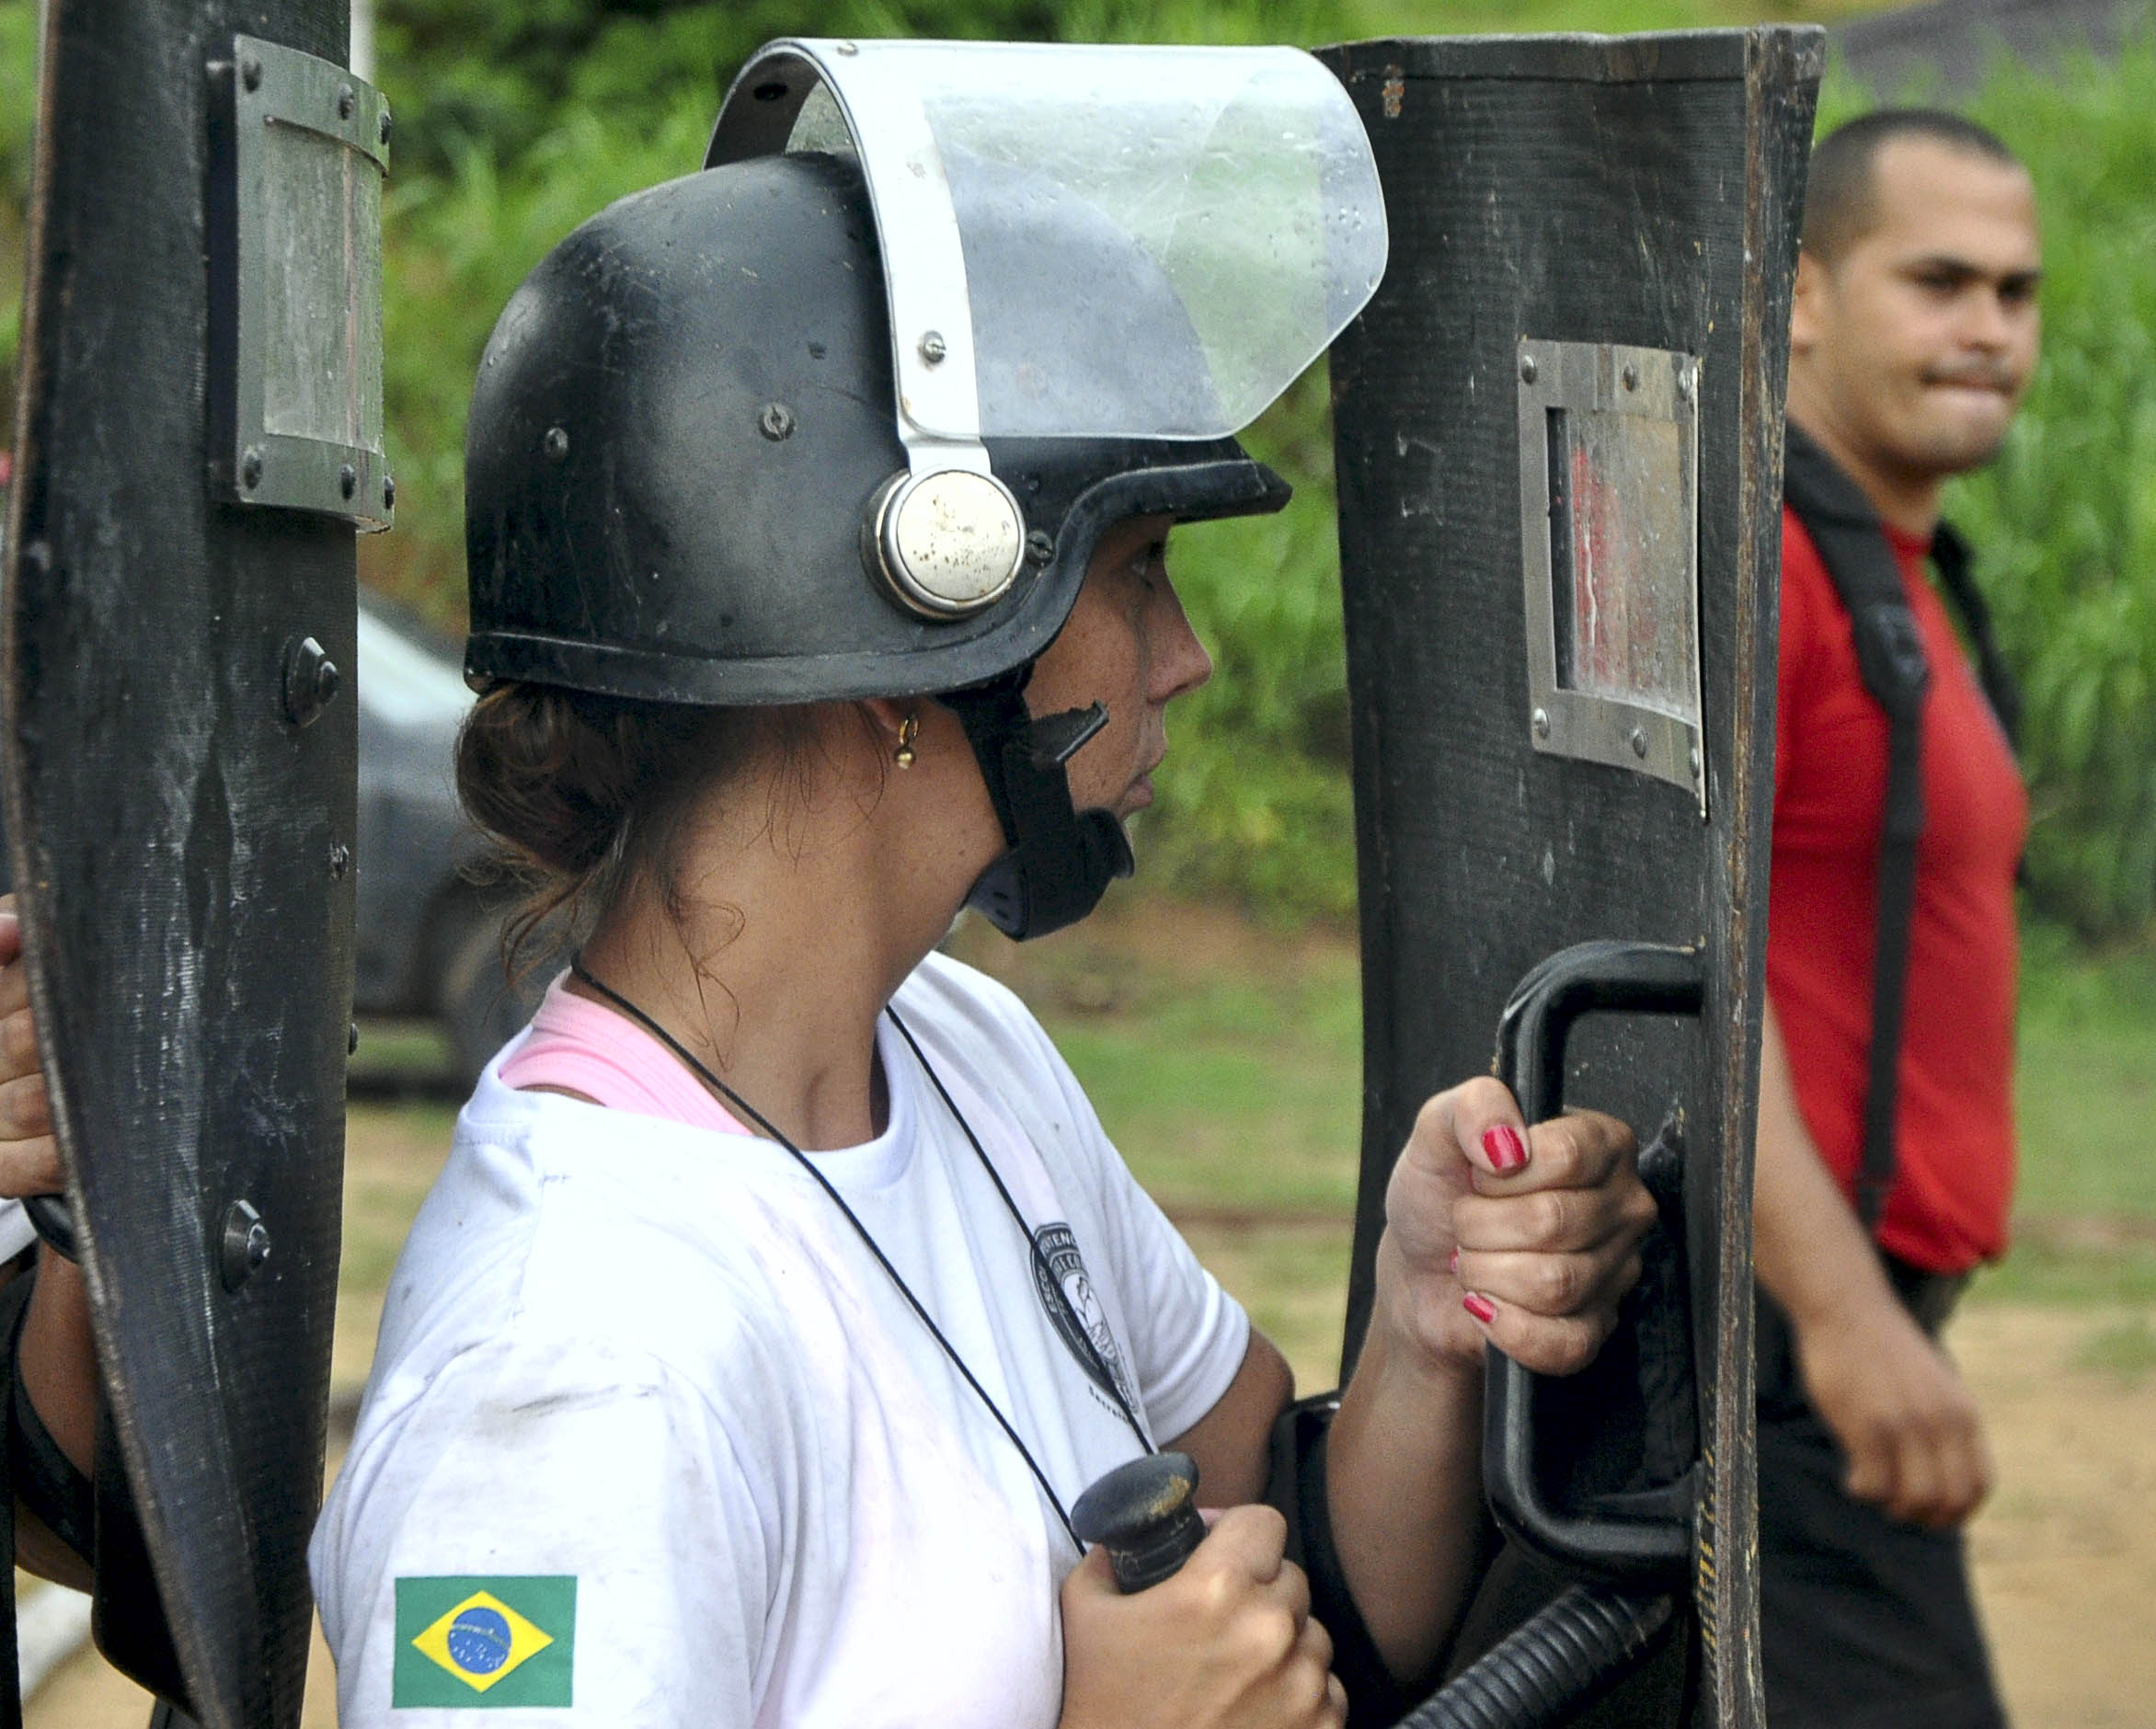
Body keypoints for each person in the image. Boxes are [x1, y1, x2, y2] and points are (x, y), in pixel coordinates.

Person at [0, 44, 1657, 1728]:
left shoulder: (960, 1048)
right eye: (1138, 571)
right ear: (910, 620)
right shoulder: (573, 1358)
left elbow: (1291, 1578)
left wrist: (1429, 1317)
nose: (1191, 661)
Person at [1753, 108, 2038, 1729]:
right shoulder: (1773, 569)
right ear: (1798, 290)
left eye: (2015, 290)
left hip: (1841, 1342)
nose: (1989, 329)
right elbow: (1688, 965)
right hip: (1782, 1356)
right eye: (1939, 280)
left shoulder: (1906, 570)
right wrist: (1846, 1320)